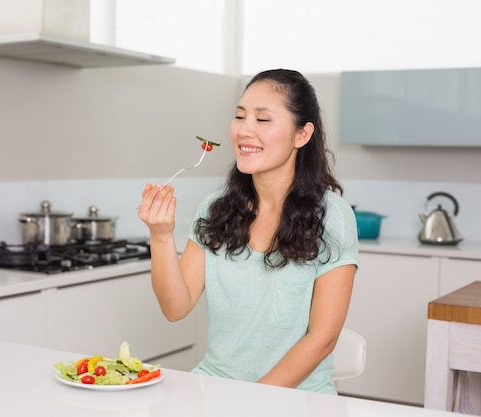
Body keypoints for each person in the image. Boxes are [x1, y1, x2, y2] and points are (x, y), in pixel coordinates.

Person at [138, 69, 358, 394]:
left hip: (294, 400)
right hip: (213, 389)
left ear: (302, 134)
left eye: (263, 120)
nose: (244, 130)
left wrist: (250, 403)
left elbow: (322, 340)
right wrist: (160, 236)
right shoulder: (216, 209)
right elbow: (175, 308)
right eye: (240, 116)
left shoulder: (331, 216)